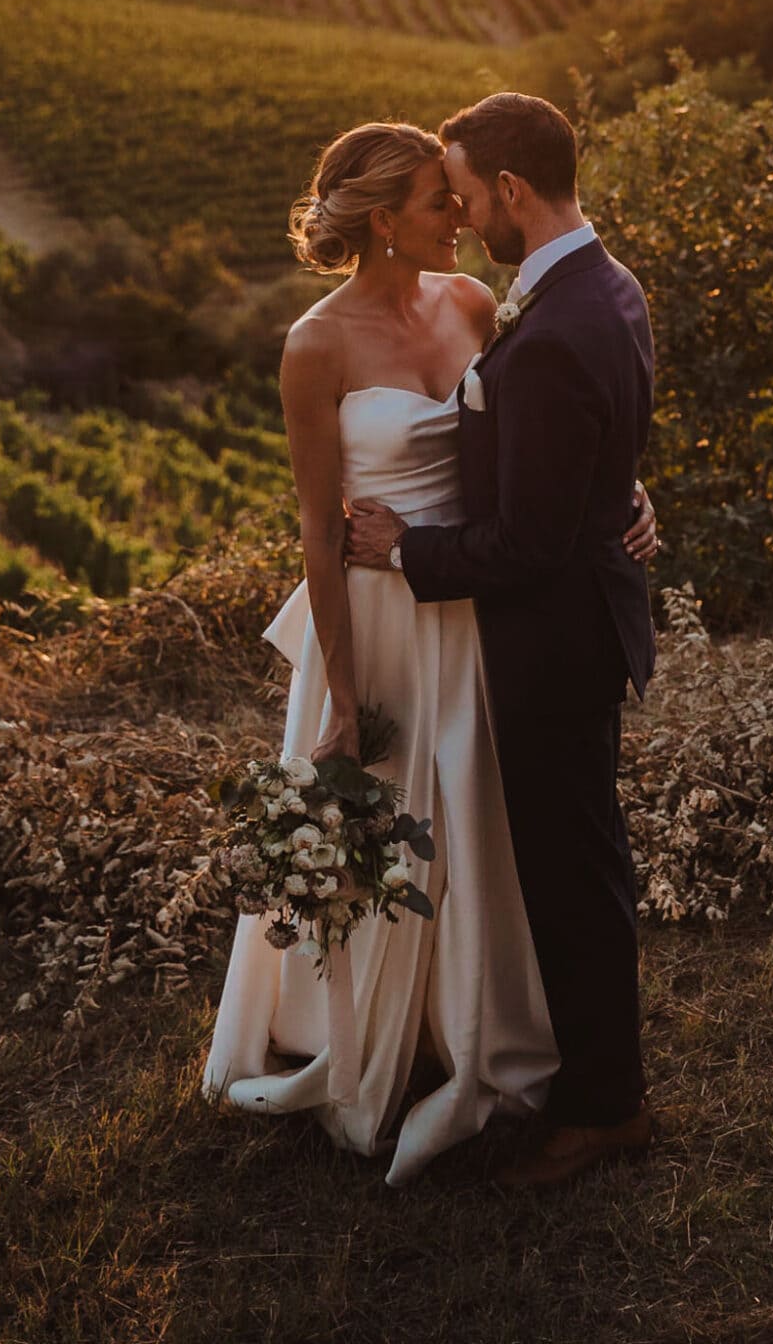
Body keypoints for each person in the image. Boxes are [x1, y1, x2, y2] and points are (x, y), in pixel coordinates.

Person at [202, 119, 657, 1186]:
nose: (457, 214)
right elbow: (318, 530)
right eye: (433, 199)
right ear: (381, 221)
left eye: (458, 194)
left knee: (480, 832)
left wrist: (624, 495)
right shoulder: (314, 344)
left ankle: (475, 1029)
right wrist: (347, 691)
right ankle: (372, 1037)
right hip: (378, 616)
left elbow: (546, 438)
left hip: (481, 601)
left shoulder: (473, 305)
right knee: (386, 826)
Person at [347, 93, 657, 1190]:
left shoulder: (554, 328)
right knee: (583, 862)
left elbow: (525, 544)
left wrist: (405, 551)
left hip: (552, 639)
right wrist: (619, 493)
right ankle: (585, 1072)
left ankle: (602, 1106)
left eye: (471, 195)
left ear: (513, 193)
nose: (468, 217)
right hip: (584, 615)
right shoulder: (602, 285)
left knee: (573, 875)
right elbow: (585, 447)